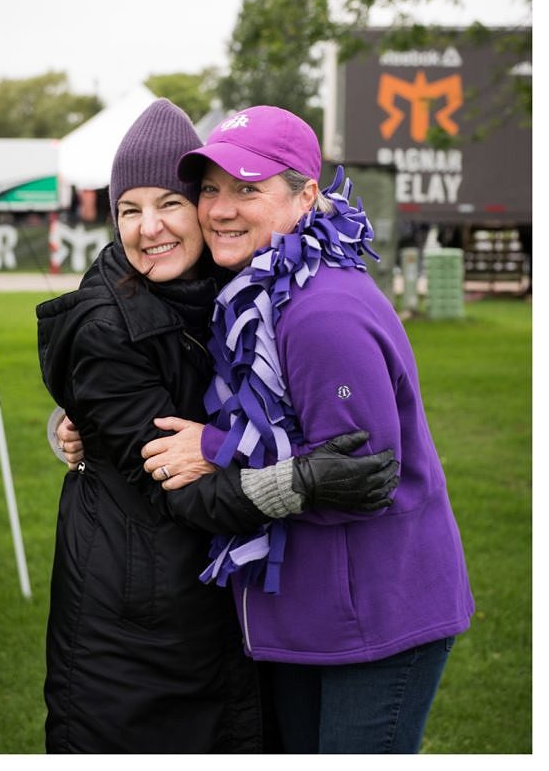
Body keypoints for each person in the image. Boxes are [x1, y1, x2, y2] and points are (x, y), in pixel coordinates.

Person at [34, 99, 401, 753]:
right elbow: (177, 485)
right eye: (128, 210)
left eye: (170, 204)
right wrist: (300, 483)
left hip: (220, 614)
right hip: (135, 633)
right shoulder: (107, 326)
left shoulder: (235, 289)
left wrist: (83, 417)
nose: (148, 229)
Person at [133, 105, 474, 754]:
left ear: (306, 196)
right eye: (210, 188)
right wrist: (77, 419)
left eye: (248, 189)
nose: (220, 209)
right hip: (309, 614)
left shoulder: (322, 312)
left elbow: (359, 475)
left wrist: (213, 448)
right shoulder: (253, 291)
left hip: (375, 617)